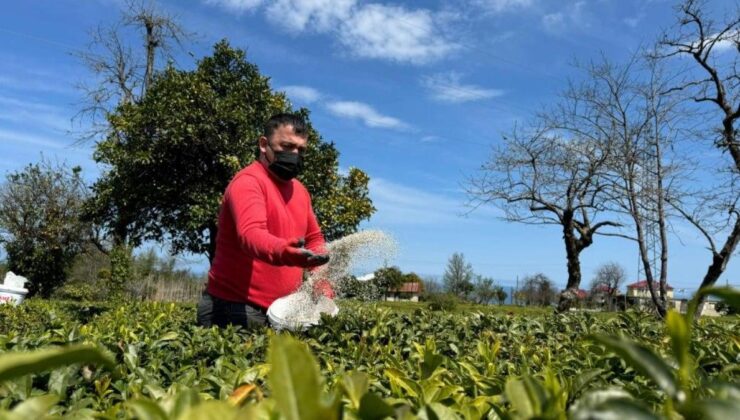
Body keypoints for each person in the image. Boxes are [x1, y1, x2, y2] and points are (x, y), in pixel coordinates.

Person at [197, 113, 331, 328]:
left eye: (301, 150)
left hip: (281, 311)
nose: (294, 154)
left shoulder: (300, 191)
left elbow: (314, 239)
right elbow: (250, 234)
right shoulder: (249, 182)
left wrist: (320, 280)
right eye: (287, 146)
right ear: (263, 144)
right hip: (236, 308)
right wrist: (283, 252)